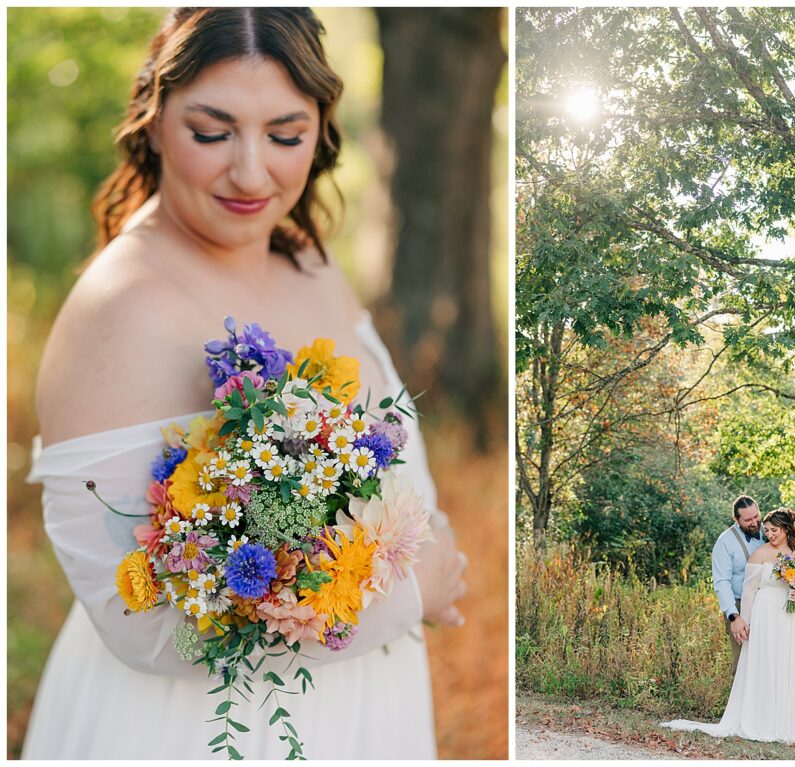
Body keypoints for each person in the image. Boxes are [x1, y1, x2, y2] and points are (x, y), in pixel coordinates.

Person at [24, 8, 467, 759]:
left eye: (286, 136)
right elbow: (136, 621)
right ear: (154, 119)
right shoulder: (121, 311)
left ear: (321, 130)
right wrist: (406, 593)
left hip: (361, 712)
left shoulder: (306, 260)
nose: (252, 173)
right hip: (200, 730)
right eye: (212, 132)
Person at [662, 507, 795, 743]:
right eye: (767, 530)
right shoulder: (760, 554)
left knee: (793, 664)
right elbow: (749, 592)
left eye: (774, 530)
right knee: (769, 664)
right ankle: (766, 720)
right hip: (767, 617)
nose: (769, 534)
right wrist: (744, 623)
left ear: (786, 529)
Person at [711, 495, 766, 675]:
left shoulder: (770, 531)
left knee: (768, 658)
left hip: (768, 604)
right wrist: (734, 617)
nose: (754, 522)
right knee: (743, 661)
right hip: (740, 606)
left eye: (756, 516)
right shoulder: (725, 542)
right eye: (748, 520)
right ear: (736, 519)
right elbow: (722, 582)